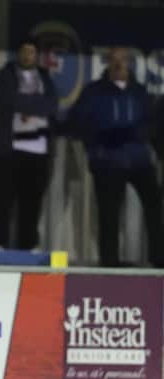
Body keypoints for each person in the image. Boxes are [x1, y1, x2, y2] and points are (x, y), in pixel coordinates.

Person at [70, 47, 164, 267]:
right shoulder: (94, 91)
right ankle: (110, 260)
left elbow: (152, 123)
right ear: (108, 63)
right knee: (109, 212)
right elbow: (79, 121)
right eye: (115, 60)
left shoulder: (139, 92)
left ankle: (158, 257)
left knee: (154, 204)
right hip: (107, 159)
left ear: (130, 63)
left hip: (138, 158)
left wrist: (139, 134)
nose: (120, 64)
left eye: (123, 60)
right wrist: (100, 139)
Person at [0, 38, 58, 250]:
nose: (28, 56)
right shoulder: (6, 74)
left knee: (32, 200)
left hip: (38, 149)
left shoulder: (45, 77)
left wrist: (28, 106)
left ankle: (28, 244)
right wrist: (34, 104)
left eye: (32, 52)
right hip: (10, 149)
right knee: (3, 198)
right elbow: (9, 100)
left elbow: (51, 105)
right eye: (24, 51)